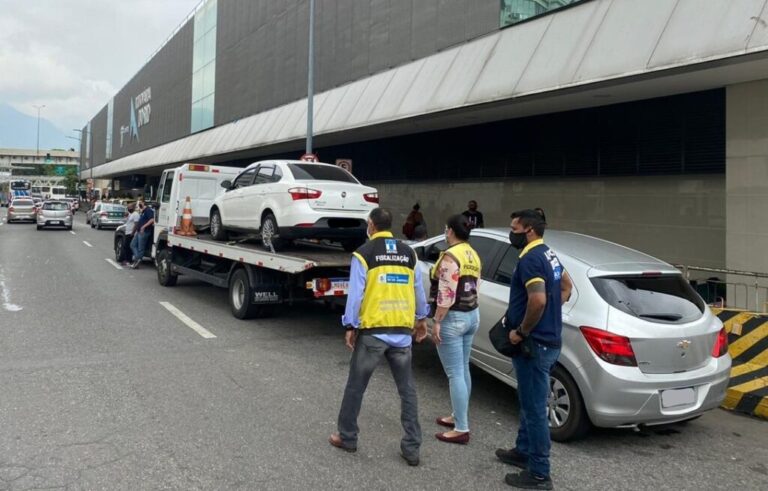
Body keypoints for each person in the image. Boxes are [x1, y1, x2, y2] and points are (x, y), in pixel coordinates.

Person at [329, 207, 429, 467]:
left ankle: (347, 437)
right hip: (402, 335)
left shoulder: (363, 255)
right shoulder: (410, 254)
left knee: (356, 387)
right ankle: (412, 448)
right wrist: (421, 319)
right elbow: (418, 289)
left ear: (371, 226)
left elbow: (356, 295)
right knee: (407, 392)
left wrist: (350, 326)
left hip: (373, 333)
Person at [496, 209, 572, 490]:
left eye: (514, 227)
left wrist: (522, 332)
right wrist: (554, 309)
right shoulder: (549, 254)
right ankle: (523, 451)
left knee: (536, 408)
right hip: (549, 340)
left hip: (534, 344)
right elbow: (566, 286)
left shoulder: (530, 258)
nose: (511, 231)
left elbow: (537, 300)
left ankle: (539, 473)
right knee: (529, 400)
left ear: (528, 230)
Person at [429, 214, 481, 444]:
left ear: (449, 231)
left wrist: (437, 321)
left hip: (453, 318)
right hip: (472, 315)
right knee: (463, 369)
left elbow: (446, 293)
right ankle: (458, 416)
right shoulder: (472, 254)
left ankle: (461, 428)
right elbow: (478, 285)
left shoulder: (451, 257)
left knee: (455, 374)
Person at [129, 201, 155, 269]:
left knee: (141, 248)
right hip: (139, 231)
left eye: (140, 203)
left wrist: (143, 227)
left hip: (144, 232)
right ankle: (138, 259)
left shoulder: (148, 210)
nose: (139, 204)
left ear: (144, 203)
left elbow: (152, 220)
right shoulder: (143, 211)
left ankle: (136, 261)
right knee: (132, 245)